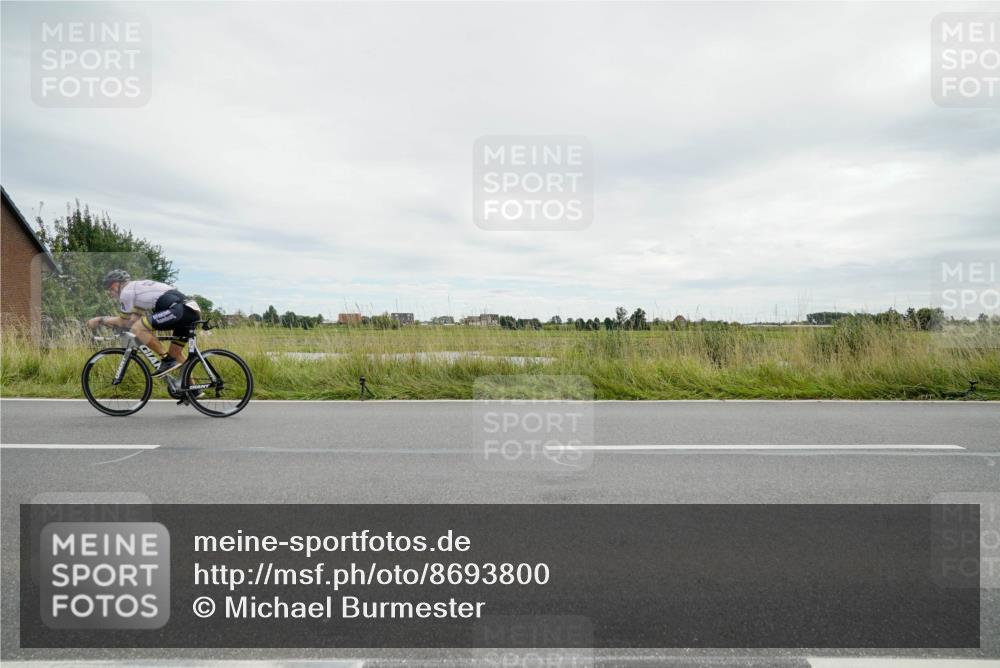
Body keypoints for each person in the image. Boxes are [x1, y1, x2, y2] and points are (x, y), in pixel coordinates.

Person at [87, 270, 202, 377]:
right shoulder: (137, 290)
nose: (109, 291)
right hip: (189, 311)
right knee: (175, 355)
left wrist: (101, 320)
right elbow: (132, 320)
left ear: (118, 283)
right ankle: (192, 390)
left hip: (179, 310)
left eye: (109, 286)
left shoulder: (126, 291)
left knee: (138, 329)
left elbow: (125, 321)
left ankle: (167, 361)